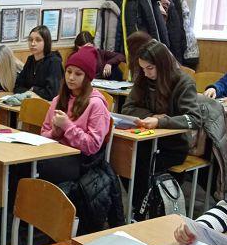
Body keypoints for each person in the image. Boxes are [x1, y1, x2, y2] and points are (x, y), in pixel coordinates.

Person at [121, 39, 201, 210]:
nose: (146, 73)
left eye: (150, 68)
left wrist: (161, 121)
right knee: (124, 158)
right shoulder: (143, 79)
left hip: (173, 145)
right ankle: (140, 207)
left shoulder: (183, 82)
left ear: (162, 64)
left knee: (141, 163)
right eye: (143, 68)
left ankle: (145, 208)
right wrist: (151, 117)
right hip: (147, 140)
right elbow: (127, 108)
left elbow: (194, 119)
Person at [40, 46, 111, 184]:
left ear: (87, 77)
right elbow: (43, 133)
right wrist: (54, 133)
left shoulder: (96, 104)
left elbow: (92, 146)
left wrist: (67, 126)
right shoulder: (58, 100)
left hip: (82, 161)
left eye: (78, 74)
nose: (71, 78)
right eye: (68, 72)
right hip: (58, 151)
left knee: (43, 167)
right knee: (24, 165)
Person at [13, 25, 64, 100]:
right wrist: (30, 92)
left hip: (47, 105)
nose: (33, 44)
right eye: (30, 40)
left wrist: (33, 89)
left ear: (46, 42)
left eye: (38, 40)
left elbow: (52, 93)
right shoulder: (30, 60)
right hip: (29, 102)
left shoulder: (54, 62)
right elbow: (17, 86)